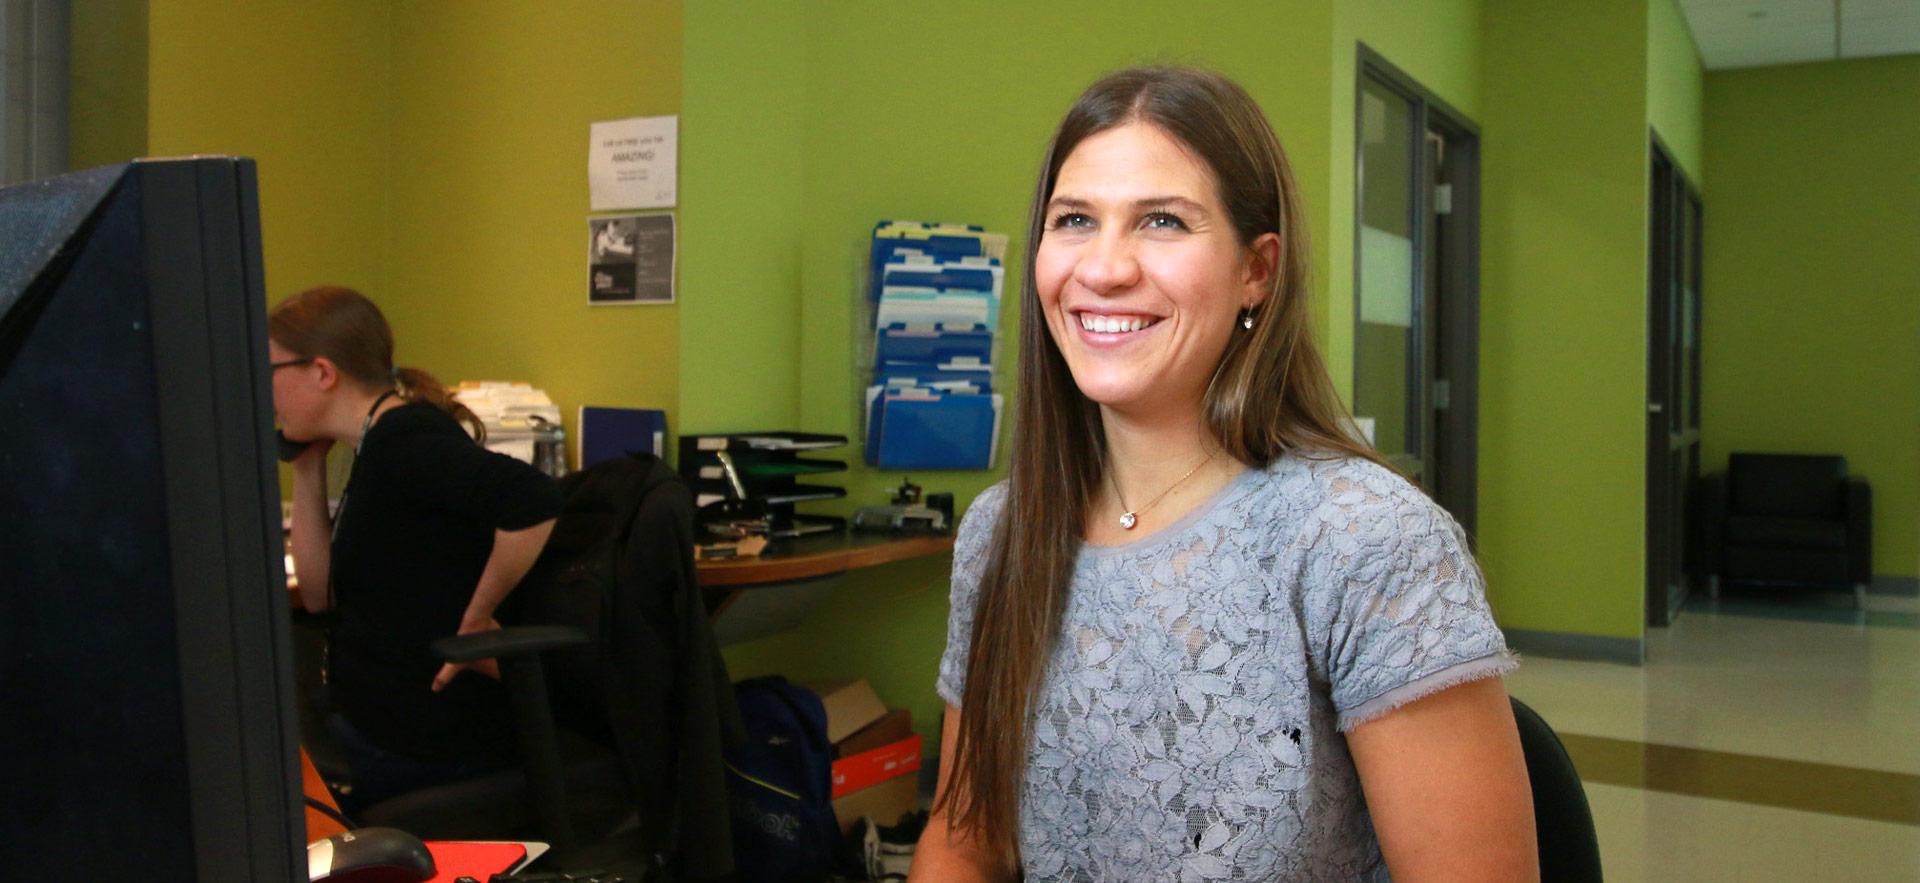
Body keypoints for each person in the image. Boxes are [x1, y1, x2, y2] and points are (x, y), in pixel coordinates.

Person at [912, 68, 1536, 881]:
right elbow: (965, 837)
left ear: (1258, 271)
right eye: (1074, 220)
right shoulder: (1002, 531)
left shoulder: (1364, 539)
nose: (1103, 268)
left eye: (1162, 221)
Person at [271, 285, 561, 814]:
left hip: (425, 742)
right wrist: (307, 466)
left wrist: (477, 618)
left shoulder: (407, 440)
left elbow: (533, 498)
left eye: (270, 373)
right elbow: (316, 597)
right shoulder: (375, 444)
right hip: (377, 727)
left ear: (322, 373)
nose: (264, 392)